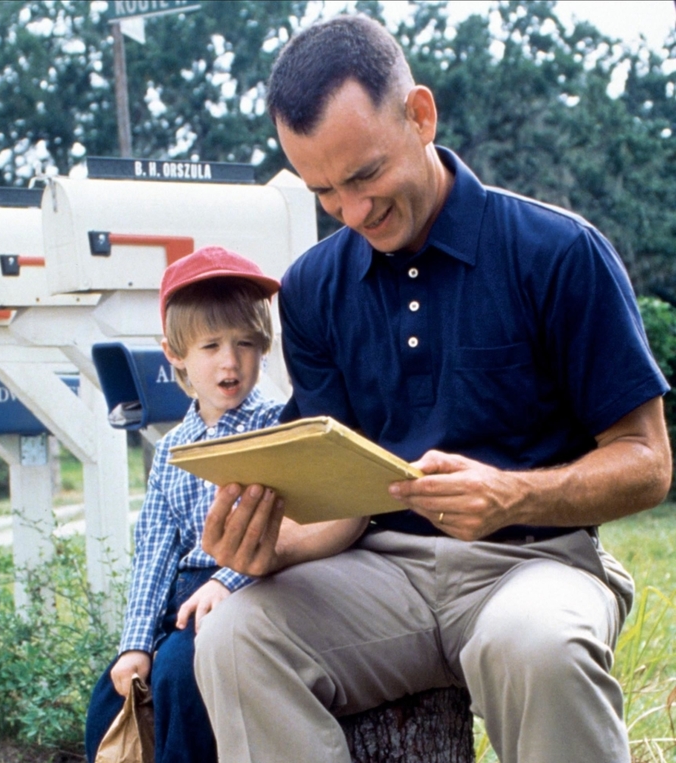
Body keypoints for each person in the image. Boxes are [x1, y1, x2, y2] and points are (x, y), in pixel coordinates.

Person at [192, 14, 672, 763]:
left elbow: (648, 461)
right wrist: (269, 548)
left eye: (364, 176)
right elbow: (344, 501)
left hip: (538, 562)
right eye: (324, 191)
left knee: (537, 644)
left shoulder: (557, 252)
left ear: (420, 114)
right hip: (380, 573)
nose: (352, 213)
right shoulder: (312, 289)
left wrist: (514, 495)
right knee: (232, 636)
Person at [84, 245, 283, 763]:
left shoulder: (277, 426)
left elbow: (286, 530)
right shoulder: (174, 447)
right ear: (174, 353)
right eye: (210, 345)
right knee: (114, 692)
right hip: (180, 596)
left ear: (264, 347)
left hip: (248, 585)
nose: (230, 361)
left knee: (180, 675)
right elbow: (155, 551)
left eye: (245, 343)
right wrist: (134, 642)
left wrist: (227, 581)